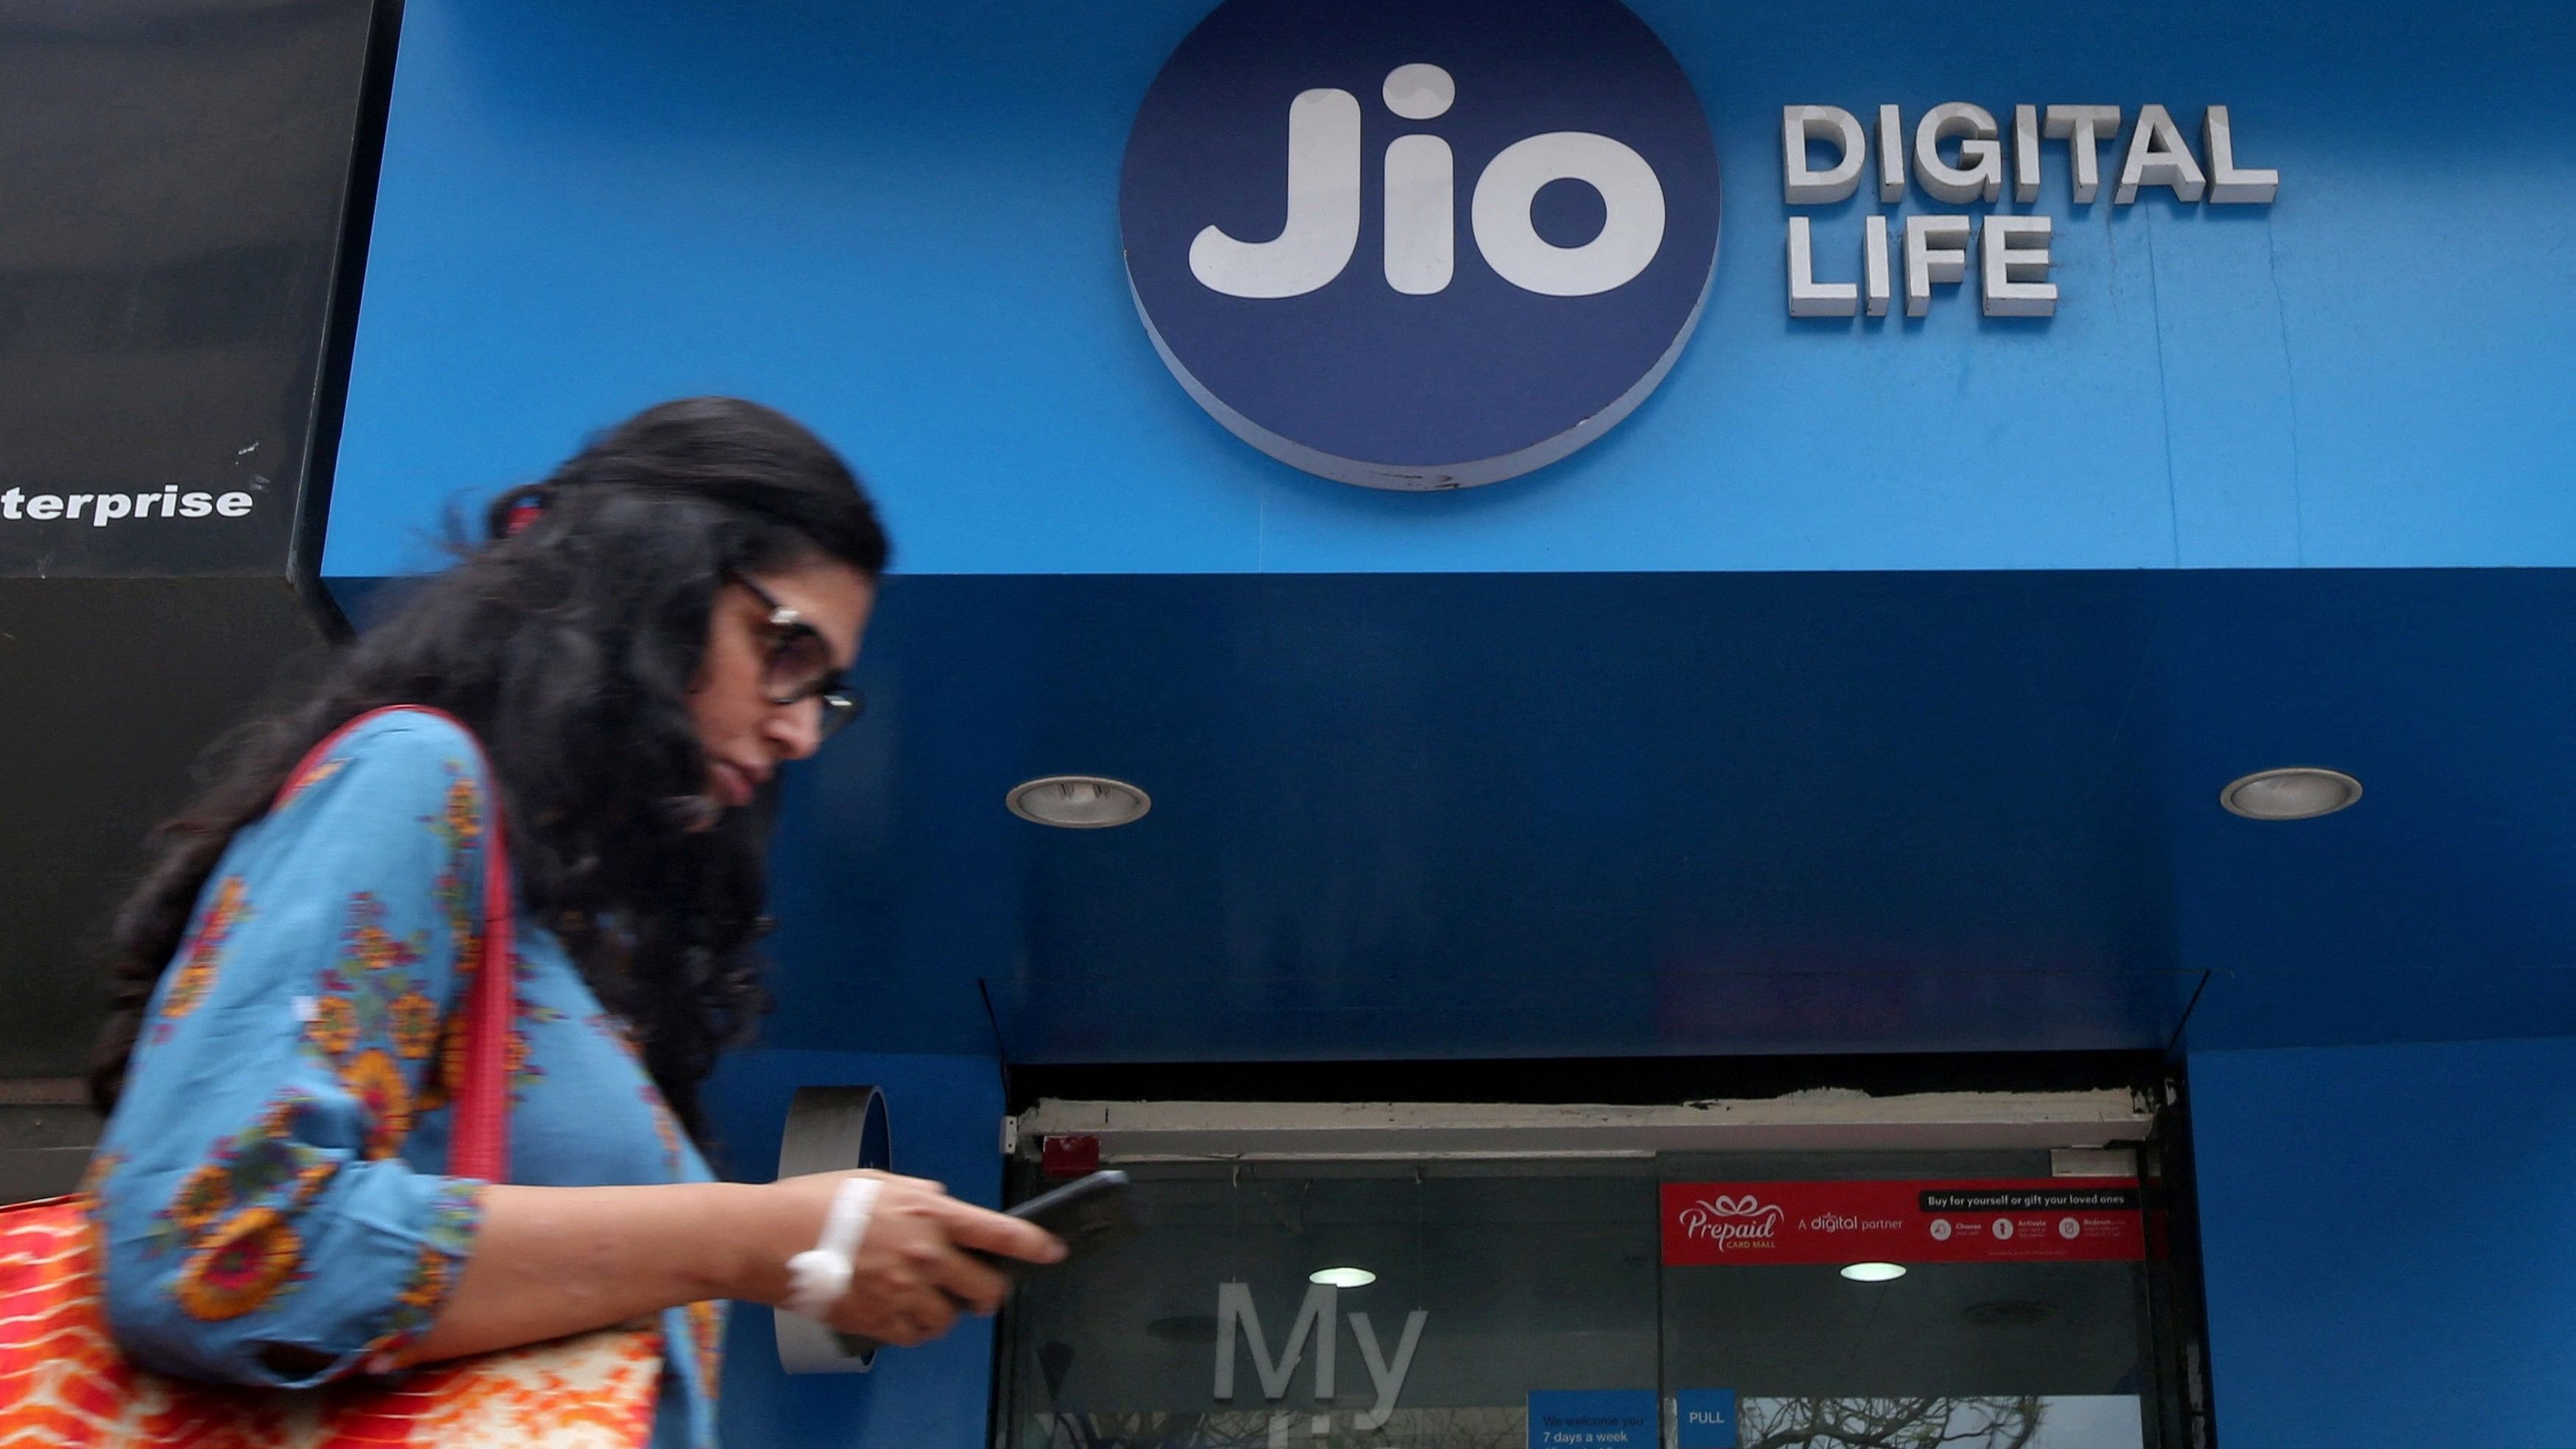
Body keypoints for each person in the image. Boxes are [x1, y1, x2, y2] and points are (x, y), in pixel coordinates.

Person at [82, 397, 1059, 1447]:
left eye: (829, 694)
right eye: (783, 650)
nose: (801, 730)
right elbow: (216, 1241)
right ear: (652, 580)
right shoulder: (416, 776)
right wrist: (753, 1235)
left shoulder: (552, 925)